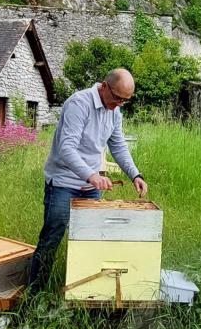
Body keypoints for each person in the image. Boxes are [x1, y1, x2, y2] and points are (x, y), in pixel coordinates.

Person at [28, 68, 148, 295]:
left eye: (125, 101)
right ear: (104, 86)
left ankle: (84, 294)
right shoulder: (79, 104)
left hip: (90, 187)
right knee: (51, 239)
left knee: (91, 240)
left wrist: (135, 175)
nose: (119, 104)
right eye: (117, 98)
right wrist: (92, 175)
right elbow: (66, 148)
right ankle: (34, 295)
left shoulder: (115, 112)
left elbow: (118, 146)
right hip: (63, 183)